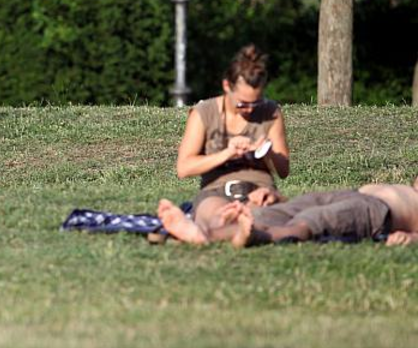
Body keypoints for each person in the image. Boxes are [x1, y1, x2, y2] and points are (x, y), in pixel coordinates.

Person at [174, 44, 290, 233]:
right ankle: (231, 233)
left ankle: (232, 233)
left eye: (256, 102)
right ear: (227, 86)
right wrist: (227, 153)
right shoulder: (204, 113)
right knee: (217, 219)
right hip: (215, 191)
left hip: (259, 190)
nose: (250, 110)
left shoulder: (271, 112)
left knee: (258, 219)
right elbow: (183, 168)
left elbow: (284, 170)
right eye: (243, 103)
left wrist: (268, 152)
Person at [156, 177, 418, 248]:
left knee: (311, 222)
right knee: (272, 213)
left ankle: (218, 237)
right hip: (348, 194)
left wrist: (410, 238)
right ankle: (203, 231)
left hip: (374, 211)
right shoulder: (406, 187)